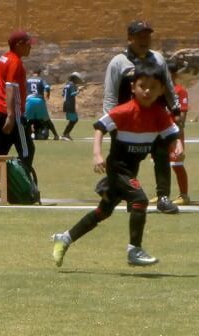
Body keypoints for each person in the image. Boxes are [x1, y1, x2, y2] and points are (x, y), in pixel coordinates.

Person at [51, 60, 181, 268]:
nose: (147, 91)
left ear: (161, 90)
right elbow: (99, 127)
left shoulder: (158, 114)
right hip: (118, 167)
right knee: (140, 199)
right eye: (142, 86)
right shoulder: (125, 111)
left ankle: (65, 238)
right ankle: (134, 250)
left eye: (153, 87)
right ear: (133, 87)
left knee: (104, 211)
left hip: (131, 168)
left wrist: (177, 146)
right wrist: (97, 154)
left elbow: (171, 134)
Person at [103, 20, 180, 214]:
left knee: (162, 156)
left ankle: (163, 197)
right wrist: (111, 123)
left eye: (147, 35)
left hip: (156, 120)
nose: (144, 39)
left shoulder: (159, 60)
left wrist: (176, 111)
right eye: (139, 35)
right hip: (128, 121)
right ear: (130, 38)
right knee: (128, 162)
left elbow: (169, 89)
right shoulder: (119, 62)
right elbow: (110, 95)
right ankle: (130, 196)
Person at [0, 31, 37, 204]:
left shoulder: (3, 58)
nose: (30, 46)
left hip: (1, 111)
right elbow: (9, 88)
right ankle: (20, 187)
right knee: (27, 150)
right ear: (18, 45)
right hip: (13, 115)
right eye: (28, 43)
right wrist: (11, 115)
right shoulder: (15, 62)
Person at [168, 61, 190, 205]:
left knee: (177, 163)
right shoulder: (161, 91)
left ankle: (184, 195)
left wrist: (179, 133)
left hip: (174, 132)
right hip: (161, 132)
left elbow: (182, 113)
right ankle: (162, 193)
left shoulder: (180, 91)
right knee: (161, 164)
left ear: (174, 74)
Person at [25, 69, 60, 140]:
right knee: (47, 119)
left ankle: (25, 135)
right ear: (39, 73)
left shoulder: (28, 80)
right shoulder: (41, 80)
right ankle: (56, 135)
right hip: (39, 100)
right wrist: (48, 96)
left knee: (27, 119)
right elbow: (47, 87)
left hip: (29, 100)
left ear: (32, 72)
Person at [61, 72, 82, 141]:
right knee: (74, 120)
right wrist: (79, 90)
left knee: (73, 120)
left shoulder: (67, 84)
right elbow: (73, 94)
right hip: (70, 104)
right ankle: (65, 134)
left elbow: (63, 94)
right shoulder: (72, 84)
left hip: (66, 103)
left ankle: (66, 134)